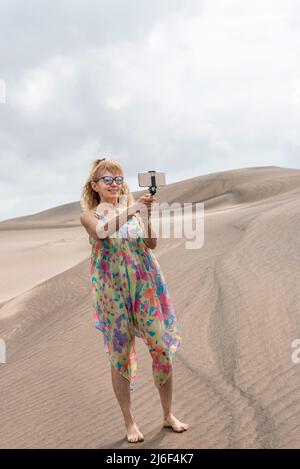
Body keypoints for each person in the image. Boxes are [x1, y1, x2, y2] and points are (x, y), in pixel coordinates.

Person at [80, 158, 189, 443]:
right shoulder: (90, 216)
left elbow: (151, 244)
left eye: (118, 179)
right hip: (112, 293)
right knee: (120, 357)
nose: (114, 184)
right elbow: (103, 232)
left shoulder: (134, 214)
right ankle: (129, 422)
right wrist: (134, 209)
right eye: (108, 180)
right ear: (95, 186)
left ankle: (168, 415)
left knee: (161, 349)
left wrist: (147, 216)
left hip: (144, 287)